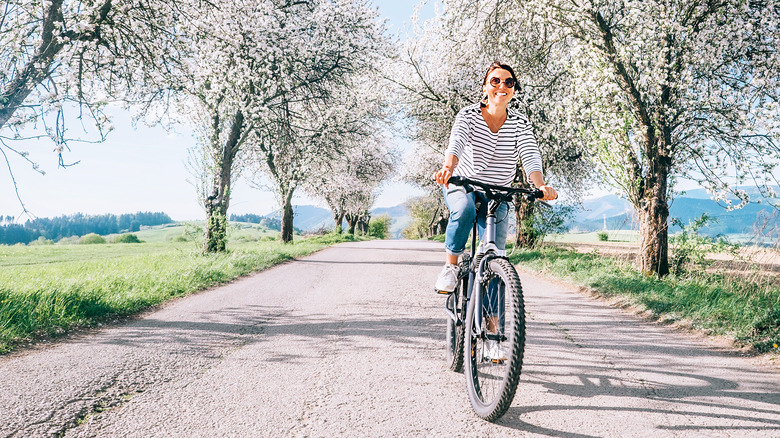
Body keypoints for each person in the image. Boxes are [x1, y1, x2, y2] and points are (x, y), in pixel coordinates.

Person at [433, 61, 557, 294]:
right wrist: (448, 168)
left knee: (494, 254)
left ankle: (492, 321)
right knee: (464, 209)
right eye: (495, 81)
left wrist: (540, 185)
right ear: (485, 87)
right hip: (463, 182)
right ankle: (451, 266)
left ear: (514, 89)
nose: (502, 86)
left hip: (498, 191)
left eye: (509, 82)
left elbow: (530, 154)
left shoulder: (520, 123)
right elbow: (457, 142)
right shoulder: (468, 115)